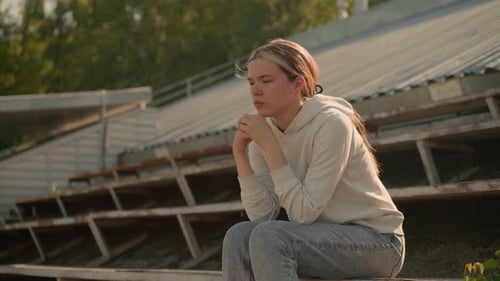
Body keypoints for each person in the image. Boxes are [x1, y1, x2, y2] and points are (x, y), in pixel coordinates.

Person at [221, 38, 405, 281]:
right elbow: (262, 215)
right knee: (238, 235)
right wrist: (240, 154)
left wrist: (269, 145)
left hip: (378, 243)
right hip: (318, 238)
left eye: (266, 81)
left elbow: (303, 214)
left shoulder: (332, 125)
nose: (256, 90)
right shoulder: (264, 130)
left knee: (271, 237)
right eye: (252, 82)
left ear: (297, 83)